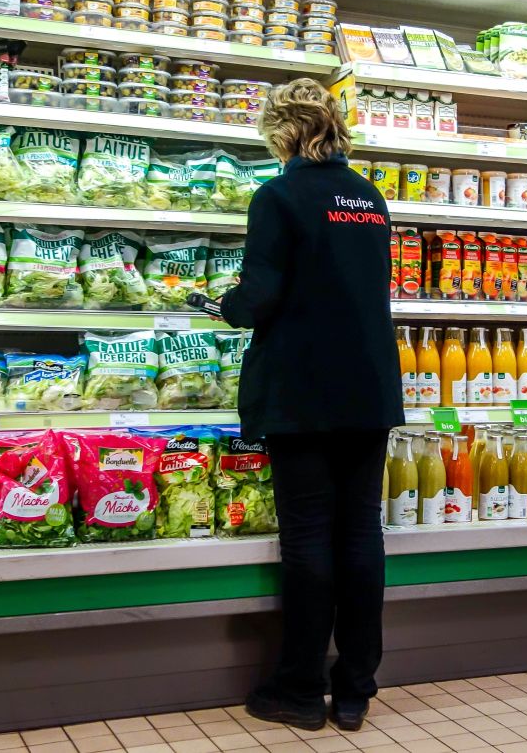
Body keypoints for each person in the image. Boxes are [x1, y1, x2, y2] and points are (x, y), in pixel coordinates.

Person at [218, 78, 404, 732]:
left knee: (307, 538)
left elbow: (260, 295)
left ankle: (298, 689)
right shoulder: (369, 197)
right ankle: (354, 688)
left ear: (283, 132)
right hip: (369, 388)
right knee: (360, 533)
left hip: (302, 390)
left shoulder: (279, 195)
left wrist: (222, 304)